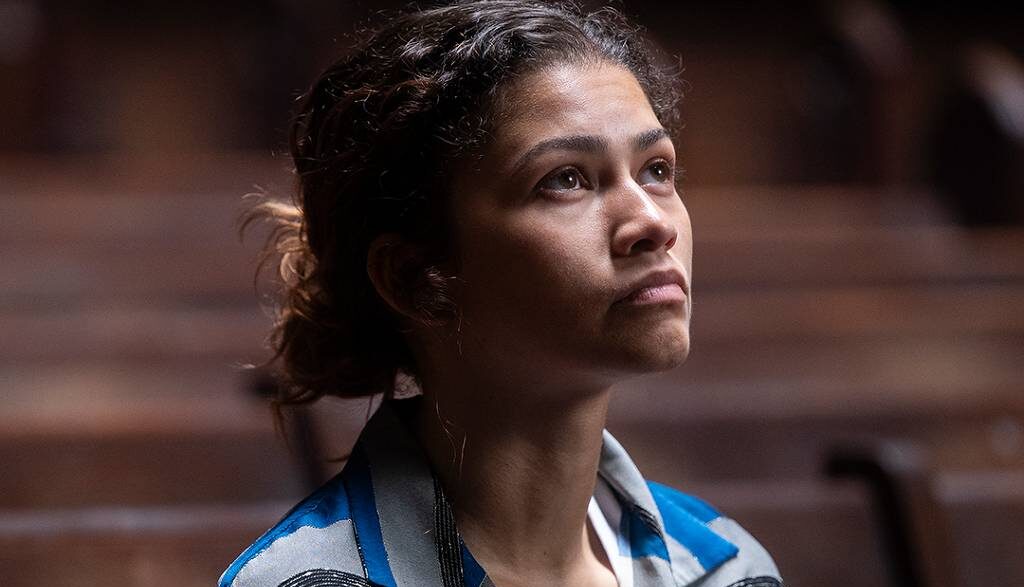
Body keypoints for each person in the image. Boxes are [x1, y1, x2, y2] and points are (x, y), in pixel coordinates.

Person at [220, 2, 782, 586]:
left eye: (656, 171)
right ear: (414, 276)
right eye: (565, 179)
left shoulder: (728, 570)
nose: (652, 223)